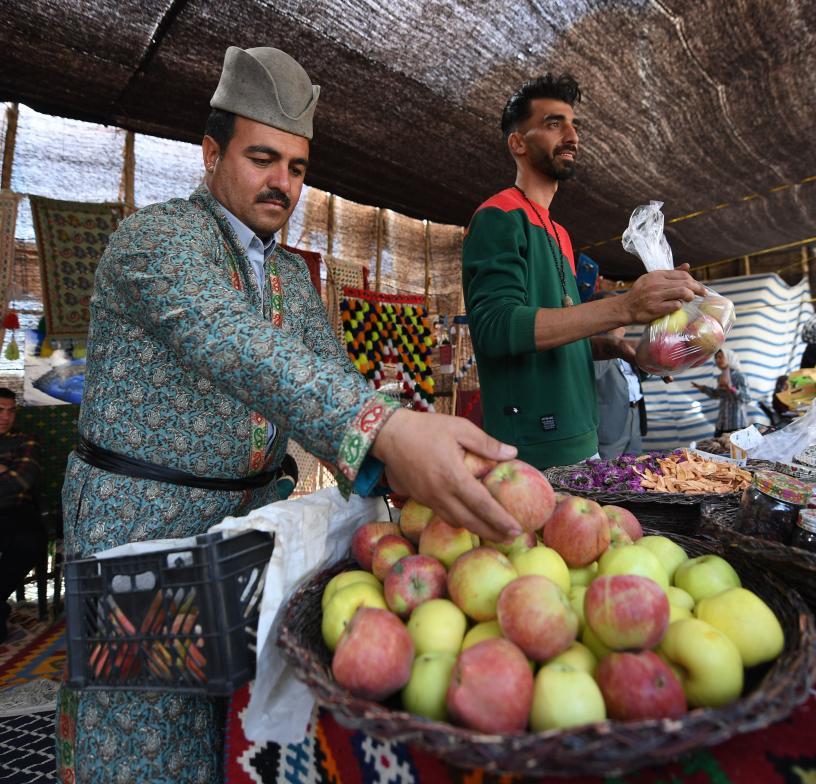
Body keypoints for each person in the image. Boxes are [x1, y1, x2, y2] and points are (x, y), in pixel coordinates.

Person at [57, 47, 521, 784]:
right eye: (262, 158)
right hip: (141, 531)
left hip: (249, 534)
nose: (282, 183)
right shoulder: (156, 241)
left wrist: (403, 467)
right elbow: (232, 341)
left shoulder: (287, 276)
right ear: (212, 155)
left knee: (232, 734)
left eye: (297, 168)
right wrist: (390, 432)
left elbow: (328, 383)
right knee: (147, 742)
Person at [462, 73, 705, 468]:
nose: (572, 136)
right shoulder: (499, 216)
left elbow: (555, 330)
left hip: (583, 441)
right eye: (554, 123)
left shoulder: (560, 234)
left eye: (575, 125)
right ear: (518, 143)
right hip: (531, 456)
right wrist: (625, 306)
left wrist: (614, 348)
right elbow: (496, 327)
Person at [0, 388, 46, 643]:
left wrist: (8, 474)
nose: (6, 417)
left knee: (31, 544)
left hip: (17, 510)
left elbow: (24, 479)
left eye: (10, 411)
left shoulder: (26, 440)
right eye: (0, 410)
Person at [594, 324, 647, 459]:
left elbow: (634, 378)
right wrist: (612, 340)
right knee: (608, 472)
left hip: (634, 414)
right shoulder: (595, 345)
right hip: (611, 421)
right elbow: (595, 373)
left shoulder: (626, 344)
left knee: (636, 467)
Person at [691, 349, 750, 437]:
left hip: (737, 424)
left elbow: (746, 398)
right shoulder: (721, 377)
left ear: (729, 358)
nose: (717, 360)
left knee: (736, 450)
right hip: (722, 424)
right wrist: (703, 388)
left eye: (720, 357)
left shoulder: (740, 377)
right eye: (716, 358)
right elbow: (717, 395)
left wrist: (731, 389)